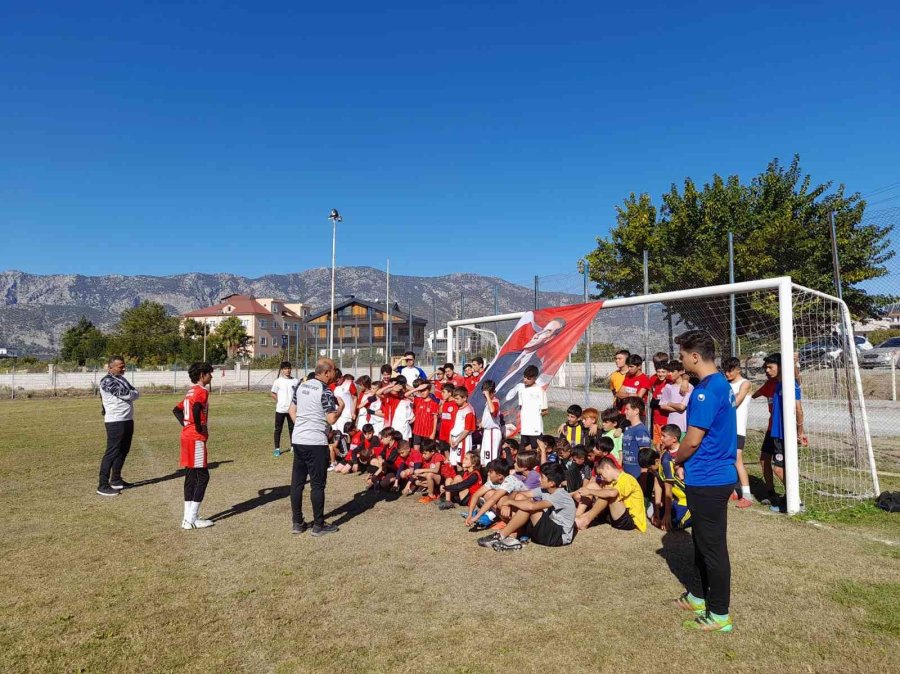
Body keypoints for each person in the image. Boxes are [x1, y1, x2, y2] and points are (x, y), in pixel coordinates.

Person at [672, 329, 737, 632]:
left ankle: (720, 614)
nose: (681, 360)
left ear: (694, 356)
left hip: (709, 480)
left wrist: (676, 458)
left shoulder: (704, 391)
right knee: (701, 542)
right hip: (711, 476)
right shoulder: (720, 382)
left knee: (712, 547)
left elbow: (693, 440)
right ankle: (699, 595)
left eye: (683, 355)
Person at [288, 357, 344, 537]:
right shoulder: (325, 390)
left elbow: (291, 410)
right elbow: (332, 419)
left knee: (297, 483)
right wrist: (341, 406)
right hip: (316, 442)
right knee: (318, 484)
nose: (335, 373)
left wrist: (301, 426)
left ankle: (297, 523)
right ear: (327, 372)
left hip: (298, 439)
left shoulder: (301, 385)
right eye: (334, 370)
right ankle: (318, 525)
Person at [488, 463, 577, 551]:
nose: (539, 479)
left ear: (551, 483)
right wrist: (506, 504)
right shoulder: (544, 490)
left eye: (542, 477)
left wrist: (508, 501)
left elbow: (531, 506)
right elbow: (519, 493)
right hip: (547, 530)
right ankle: (513, 536)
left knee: (528, 507)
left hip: (558, 536)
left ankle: (501, 535)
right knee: (521, 499)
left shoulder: (560, 495)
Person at [758, 353, 807, 512]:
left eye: (770, 367)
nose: (767, 370)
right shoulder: (777, 384)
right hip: (775, 432)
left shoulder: (790, 384)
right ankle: (781, 496)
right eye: (766, 367)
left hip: (784, 434)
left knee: (779, 469)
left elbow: (799, 410)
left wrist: (800, 432)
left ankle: (796, 501)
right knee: (766, 460)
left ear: (781, 367)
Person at [172, 362, 215, 529]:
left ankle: (187, 518)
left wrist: (187, 425)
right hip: (195, 439)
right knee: (203, 477)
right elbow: (197, 408)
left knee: (190, 475)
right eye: (210, 373)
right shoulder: (202, 391)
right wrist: (198, 428)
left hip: (186, 437)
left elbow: (176, 410)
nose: (211, 376)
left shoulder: (190, 391)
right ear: (202, 375)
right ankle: (192, 519)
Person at [97, 356, 140, 496]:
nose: (124, 369)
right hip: (115, 421)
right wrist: (132, 393)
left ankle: (116, 480)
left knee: (123, 450)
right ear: (110, 367)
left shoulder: (121, 379)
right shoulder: (107, 381)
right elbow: (127, 394)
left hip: (127, 419)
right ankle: (102, 485)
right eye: (120, 367)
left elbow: (134, 392)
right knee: (112, 452)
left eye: (123, 366)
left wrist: (132, 393)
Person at [573, 456, 646, 532]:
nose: (601, 477)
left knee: (607, 492)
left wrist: (590, 491)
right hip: (615, 515)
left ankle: (585, 521)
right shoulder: (612, 481)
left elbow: (612, 493)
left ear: (607, 467)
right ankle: (577, 516)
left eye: (601, 474)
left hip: (630, 520)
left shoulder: (627, 479)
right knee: (593, 486)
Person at [722, 357, 753, 508]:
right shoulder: (726, 385)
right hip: (725, 429)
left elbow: (737, 401)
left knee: (737, 460)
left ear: (738, 369)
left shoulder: (745, 383)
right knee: (727, 460)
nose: (727, 374)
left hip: (738, 429)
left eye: (730, 371)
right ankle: (733, 490)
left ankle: (747, 495)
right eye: (725, 371)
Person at [656, 424, 691, 531]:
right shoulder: (664, 453)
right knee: (659, 518)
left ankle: (694, 511)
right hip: (673, 498)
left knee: (676, 524)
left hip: (686, 497)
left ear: (674, 439)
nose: (661, 439)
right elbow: (660, 479)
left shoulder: (685, 453)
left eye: (664, 436)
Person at [516, 365, 548, 449]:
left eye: (528, 378)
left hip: (535, 428)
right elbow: (521, 407)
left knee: (535, 449)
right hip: (524, 428)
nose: (525, 380)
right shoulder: (521, 389)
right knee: (523, 452)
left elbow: (545, 410)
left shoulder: (540, 391)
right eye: (525, 377)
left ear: (534, 378)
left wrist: (536, 416)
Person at [271, 361, 299, 457]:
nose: (288, 370)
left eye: (289, 368)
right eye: (285, 369)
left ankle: (293, 446)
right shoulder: (277, 381)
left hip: (292, 410)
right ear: (282, 370)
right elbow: (273, 393)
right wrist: (279, 401)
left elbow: (298, 394)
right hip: (280, 410)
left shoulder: (295, 381)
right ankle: (277, 449)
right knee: (278, 429)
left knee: (293, 428)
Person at [621, 397, 652, 481]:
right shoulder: (628, 429)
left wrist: (643, 479)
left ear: (636, 411)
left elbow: (645, 456)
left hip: (637, 475)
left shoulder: (640, 430)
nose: (625, 412)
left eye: (627, 409)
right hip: (627, 473)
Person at [659, 360, 692, 435]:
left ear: (680, 372)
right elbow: (662, 405)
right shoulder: (668, 386)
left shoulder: (688, 386)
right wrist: (679, 408)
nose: (670, 374)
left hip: (684, 426)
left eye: (672, 371)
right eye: (668, 371)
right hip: (671, 425)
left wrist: (670, 403)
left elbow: (682, 406)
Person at [449, 386, 476, 467]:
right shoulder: (459, 408)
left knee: (462, 462)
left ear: (464, 398)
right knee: (455, 462)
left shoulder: (469, 410)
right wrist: (450, 438)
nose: (455, 400)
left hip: (463, 439)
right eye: (455, 398)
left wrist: (457, 441)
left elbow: (467, 430)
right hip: (455, 439)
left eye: (457, 398)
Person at [411, 379, 439, 452]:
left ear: (429, 391)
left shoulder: (434, 404)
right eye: (421, 391)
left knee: (426, 451)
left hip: (427, 432)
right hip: (417, 431)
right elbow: (406, 395)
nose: (422, 392)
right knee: (416, 452)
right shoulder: (418, 400)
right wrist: (417, 388)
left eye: (424, 390)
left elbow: (435, 419)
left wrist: (433, 433)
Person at [479, 379, 503, 465]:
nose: (485, 396)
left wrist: (488, 396)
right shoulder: (488, 402)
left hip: (493, 431)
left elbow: (493, 411)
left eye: (487, 393)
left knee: (490, 460)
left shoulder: (495, 401)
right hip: (487, 432)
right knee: (484, 459)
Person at [649, 360, 670, 449]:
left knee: (665, 445)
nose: (660, 374)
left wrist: (657, 403)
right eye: (658, 371)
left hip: (666, 420)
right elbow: (653, 402)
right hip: (656, 419)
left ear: (668, 372)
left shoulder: (670, 383)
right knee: (657, 445)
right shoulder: (656, 382)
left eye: (663, 372)